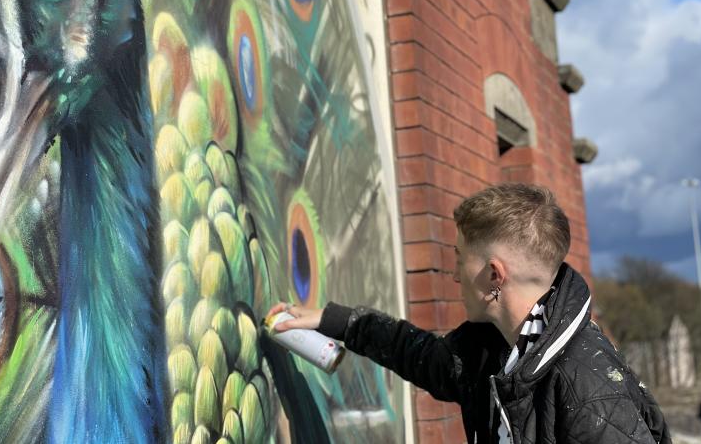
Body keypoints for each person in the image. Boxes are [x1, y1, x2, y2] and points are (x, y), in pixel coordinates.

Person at [267, 183, 670, 443]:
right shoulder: (494, 351)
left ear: (494, 275)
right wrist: (335, 321)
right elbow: (418, 354)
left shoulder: (589, 390)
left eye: (460, 260)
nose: (453, 274)